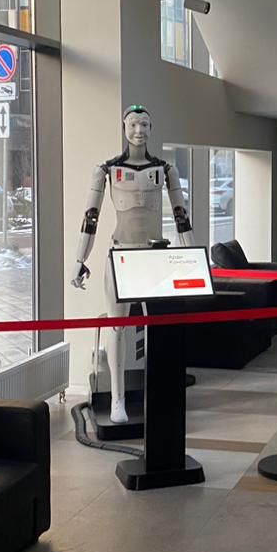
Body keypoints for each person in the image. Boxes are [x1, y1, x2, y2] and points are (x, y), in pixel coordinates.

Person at [71, 105, 193, 422]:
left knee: (158, 328)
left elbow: (181, 217)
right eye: (134, 124)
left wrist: (191, 258)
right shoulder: (107, 170)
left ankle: (157, 395)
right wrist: (80, 260)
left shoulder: (165, 169)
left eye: (145, 125)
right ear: (124, 128)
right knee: (117, 327)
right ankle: (117, 399)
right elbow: (90, 218)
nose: (139, 130)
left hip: (153, 255)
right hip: (121, 254)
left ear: (151, 128)